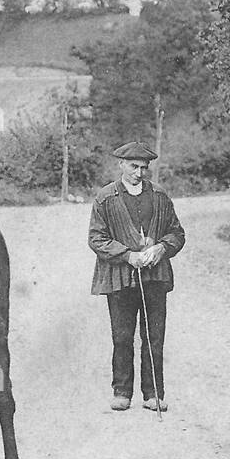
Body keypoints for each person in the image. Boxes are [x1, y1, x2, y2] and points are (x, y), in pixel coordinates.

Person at [87, 141, 186, 412]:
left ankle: (153, 393)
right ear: (120, 165)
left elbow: (177, 233)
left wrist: (162, 248)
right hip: (120, 278)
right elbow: (96, 239)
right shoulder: (106, 198)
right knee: (121, 335)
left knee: (154, 335)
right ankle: (121, 392)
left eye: (144, 168)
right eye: (133, 166)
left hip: (155, 277)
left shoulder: (160, 196)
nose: (138, 173)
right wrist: (127, 255)